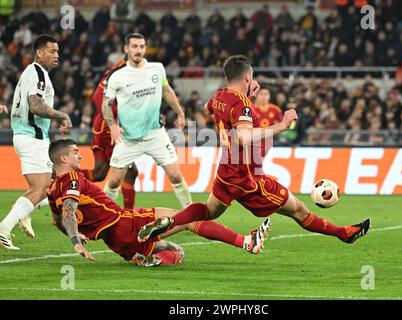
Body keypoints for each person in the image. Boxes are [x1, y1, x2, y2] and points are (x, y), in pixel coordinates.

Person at [138, 55, 370, 246]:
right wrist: (281, 125)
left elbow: (208, 108)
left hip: (226, 170)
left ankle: (167, 223)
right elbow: (244, 136)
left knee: (208, 212)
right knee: (299, 210)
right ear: (247, 77)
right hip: (248, 178)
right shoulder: (242, 104)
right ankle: (343, 233)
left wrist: (246, 99)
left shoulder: (220, 96)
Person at [47, 138, 271, 267]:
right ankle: (246, 242)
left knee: (177, 253)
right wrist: (76, 241)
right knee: (188, 219)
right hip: (123, 223)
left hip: (115, 243)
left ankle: (144, 258)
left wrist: (75, 235)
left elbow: (57, 220)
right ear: (64, 158)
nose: (80, 156)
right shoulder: (72, 179)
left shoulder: (53, 189)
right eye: (76, 152)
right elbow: (68, 210)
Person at [102, 33, 192, 209]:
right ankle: (103, 215)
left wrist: (180, 113)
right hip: (128, 137)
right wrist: (112, 126)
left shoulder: (157, 69)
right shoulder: (117, 76)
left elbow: (167, 91)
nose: (138, 50)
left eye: (142, 46)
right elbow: (106, 104)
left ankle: (192, 213)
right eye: (134, 46)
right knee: (113, 181)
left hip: (155, 134)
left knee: (175, 176)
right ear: (126, 49)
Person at [0, 34, 72, 250]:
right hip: (32, 138)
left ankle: (22, 212)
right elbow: (35, 105)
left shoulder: (34, 73)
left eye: (58, 51)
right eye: (52, 51)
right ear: (39, 52)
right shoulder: (38, 73)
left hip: (31, 137)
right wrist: (62, 115)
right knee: (42, 189)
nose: (56, 55)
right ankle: (4, 228)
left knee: (50, 187)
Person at [80, 57, 139, 209]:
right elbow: (98, 98)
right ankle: (129, 215)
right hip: (109, 129)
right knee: (130, 172)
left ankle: (63, 176)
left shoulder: (129, 70)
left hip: (107, 126)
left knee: (99, 173)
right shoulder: (118, 71)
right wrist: (114, 122)